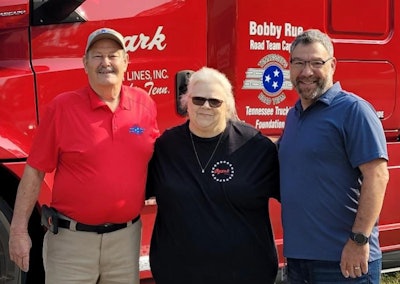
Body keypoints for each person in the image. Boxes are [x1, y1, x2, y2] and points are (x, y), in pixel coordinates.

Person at [9, 27, 159, 283]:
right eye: (97, 56)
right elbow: (34, 170)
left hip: (126, 242)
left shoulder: (145, 105)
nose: (106, 63)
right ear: (85, 64)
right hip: (71, 244)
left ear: (126, 61)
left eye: (113, 55)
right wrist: (18, 230)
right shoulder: (62, 108)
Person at [146, 66, 280, 284]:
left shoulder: (256, 147)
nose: (206, 106)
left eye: (215, 101)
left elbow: (295, 196)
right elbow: (132, 190)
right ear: (186, 102)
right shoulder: (166, 147)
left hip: (246, 275)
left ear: (227, 105)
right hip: (177, 274)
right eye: (198, 100)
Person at [277, 29, 389, 283]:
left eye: (317, 63)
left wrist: (358, 240)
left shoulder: (354, 110)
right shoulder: (293, 115)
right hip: (299, 261)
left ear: (333, 65)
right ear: (290, 67)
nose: (307, 72)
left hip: (344, 262)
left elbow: (377, 176)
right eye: (299, 63)